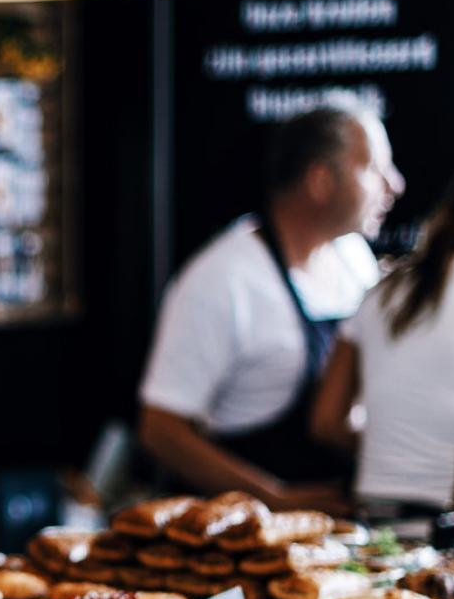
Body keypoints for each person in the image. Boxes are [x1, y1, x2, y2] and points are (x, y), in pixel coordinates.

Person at [138, 101, 404, 513]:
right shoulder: (223, 279)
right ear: (320, 180)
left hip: (337, 527)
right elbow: (160, 429)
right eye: (374, 168)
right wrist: (273, 499)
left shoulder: (353, 258)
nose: (395, 185)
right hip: (240, 536)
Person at [311, 168, 454, 513]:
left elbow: (326, 422)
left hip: (378, 519)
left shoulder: (383, 291)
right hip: (453, 526)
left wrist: (397, 451)